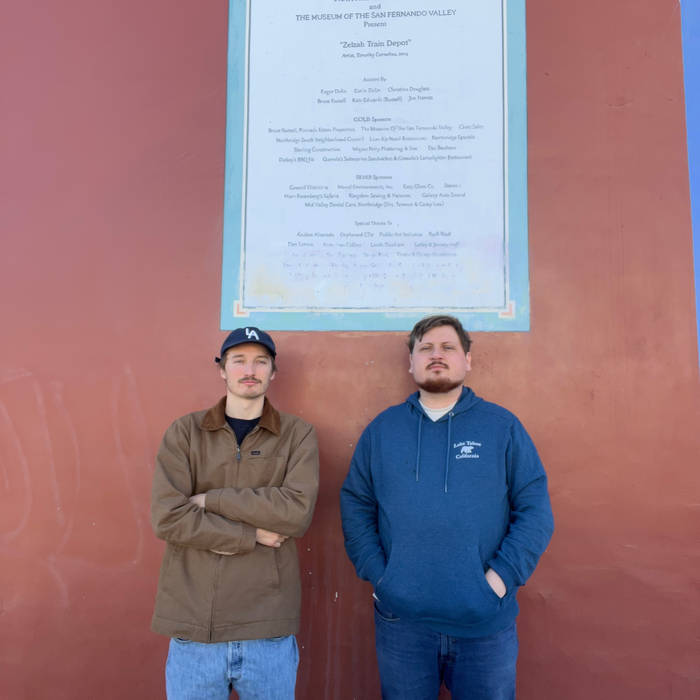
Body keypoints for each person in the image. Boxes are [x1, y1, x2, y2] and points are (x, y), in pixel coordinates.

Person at [340, 315, 554, 700]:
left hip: (485, 625)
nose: (436, 355)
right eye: (425, 348)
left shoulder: (502, 427)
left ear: (467, 360)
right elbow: (356, 503)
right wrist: (382, 577)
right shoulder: (383, 430)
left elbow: (535, 510)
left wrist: (499, 581)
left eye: (448, 347)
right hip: (402, 623)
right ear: (411, 362)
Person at [151, 327, 319, 700]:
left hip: (268, 629)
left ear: (273, 372)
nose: (250, 370)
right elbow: (168, 516)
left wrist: (211, 500)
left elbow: (295, 512)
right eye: (238, 360)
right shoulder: (185, 433)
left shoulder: (297, 435)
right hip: (196, 629)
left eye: (261, 362)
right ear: (222, 369)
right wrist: (250, 535)